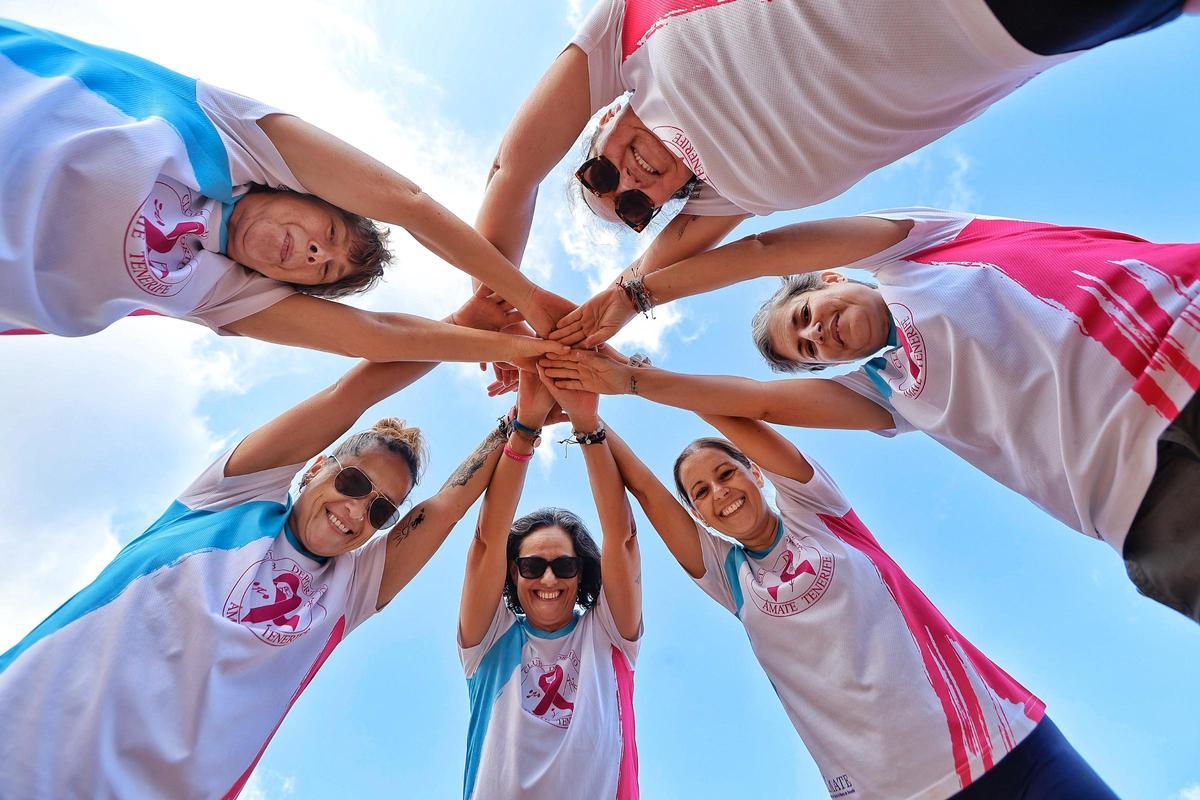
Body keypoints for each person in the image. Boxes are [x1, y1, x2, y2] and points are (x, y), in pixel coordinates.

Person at [540, 209, 1200, 622]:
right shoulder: (886, 391)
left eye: (804, 318)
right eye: (809, 350)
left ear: (830, 280)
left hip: (1181, 341)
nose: (818, 336)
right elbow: (758, 402)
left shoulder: (916, 255)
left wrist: (637, 293)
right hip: (1140, 497)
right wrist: (628, 379)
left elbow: (769, 250)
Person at [0, 292, 517, 797]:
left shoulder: (349, 590)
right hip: (24, 736)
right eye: (354, 483)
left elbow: (448, 506)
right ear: (317, 466)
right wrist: (464, 323)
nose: (358, 511)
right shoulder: (229, 497)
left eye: (381, 509)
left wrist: (523, 422)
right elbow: (350, 395)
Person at [541, 0, 1196, 348]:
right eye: (633, 209)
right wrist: (621, 303)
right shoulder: (736, 188)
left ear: (600, 124)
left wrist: (491, 296)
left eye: (599, 174)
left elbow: (512, 165)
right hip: (1022, 29)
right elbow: (691, 258)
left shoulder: (638, 38)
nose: (628, 185)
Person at [604, 409, 1117, 798]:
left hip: (1003, 742)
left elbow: (732, 415)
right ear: (700, 516)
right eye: (701, 492)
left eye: (726, 472)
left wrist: (635, 378)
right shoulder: (729, 577)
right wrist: (589, 420)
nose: (720, 491)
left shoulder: (819, 511)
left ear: (755, 472)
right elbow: (647, 492)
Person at [0, 19, 568, 368]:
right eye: (329, 233)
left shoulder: (223, 295)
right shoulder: (234, 136)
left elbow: (375, 337)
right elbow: (406, 202)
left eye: (321, 271)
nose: (318, 253)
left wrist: (535, 352)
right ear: (304, 191)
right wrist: (530, 299)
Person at [458, 370, 641, 799]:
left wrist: (586, 422)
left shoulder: (609, 635)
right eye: (532, 566)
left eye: (564, 566)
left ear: (583, 574)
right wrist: (524, 428)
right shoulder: (490, 638)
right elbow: (487, 540)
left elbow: (623, 538)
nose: (548, 579)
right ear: (513, 572)